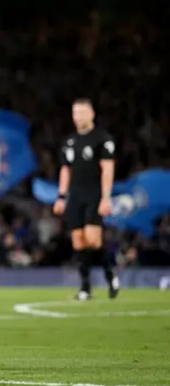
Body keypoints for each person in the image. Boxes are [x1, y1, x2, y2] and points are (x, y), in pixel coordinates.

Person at [53, 98, 119, 301]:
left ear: (92, 114)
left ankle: (110, 274)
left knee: (93, 240)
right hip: (75, 196)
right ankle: (85, 288)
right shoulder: (70, 142)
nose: (78, 117)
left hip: (94, 195)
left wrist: (106, 198)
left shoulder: (102, 139)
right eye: (75, 113)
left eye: (82, 112)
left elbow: (107, 169)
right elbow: (66, 170)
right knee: (79, 243)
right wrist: (61, 196)